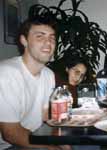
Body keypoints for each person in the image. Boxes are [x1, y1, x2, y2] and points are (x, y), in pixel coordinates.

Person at [0, 16, 70, 149]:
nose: (48, 43)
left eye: (52, 38)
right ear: (24, 40)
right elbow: (11, 134)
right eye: (40, 36)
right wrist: (51, 148)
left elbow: (46, 116)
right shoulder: (6, 74)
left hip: (35, 136)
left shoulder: (48, 74)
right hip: (9, 146)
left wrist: (65, 142)